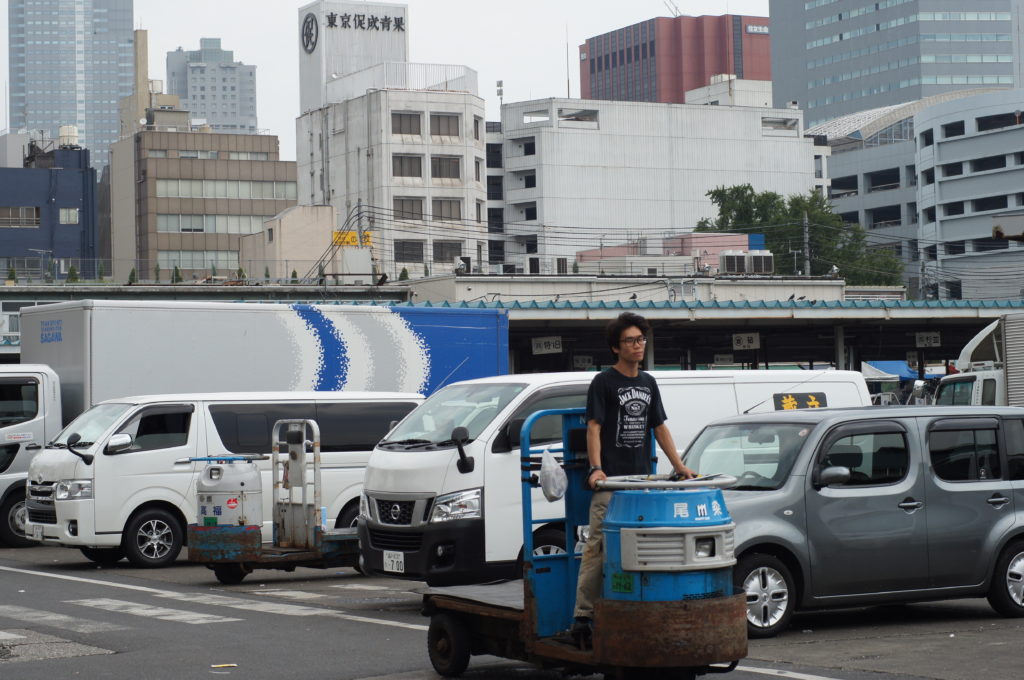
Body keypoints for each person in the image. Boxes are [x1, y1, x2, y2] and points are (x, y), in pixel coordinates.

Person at [567, 311, 694, 645]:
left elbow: (659, 427)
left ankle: (641, 607)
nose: (638, 346)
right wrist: (597, 469)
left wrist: (679, 466)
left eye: (641, 339)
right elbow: (593, 428)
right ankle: (583, 617)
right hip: (611, 485)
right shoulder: (604, 382)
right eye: (630, 341)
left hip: (643, 485)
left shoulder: (648, 382)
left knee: (645, 547)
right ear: (615, 348)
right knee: (597, 548)